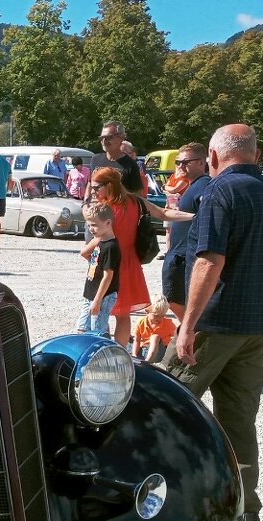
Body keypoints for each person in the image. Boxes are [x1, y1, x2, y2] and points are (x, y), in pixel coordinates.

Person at [167, 124, 263, 521]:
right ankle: (245, 511)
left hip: (214, 321)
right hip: (255, 326)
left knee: (166, 403)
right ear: (255, 154)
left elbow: (209, 260)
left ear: (213, 155)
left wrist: (187, 324)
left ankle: (167, 503)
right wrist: (255, 285)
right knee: (239, 420)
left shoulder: (219, 191)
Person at [86, 167, 193, 345]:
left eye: (97, 187)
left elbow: (97, 240)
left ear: (109, 185)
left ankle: (103, 353)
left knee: (99, 312)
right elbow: (163, 213)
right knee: (123, 314)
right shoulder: (136, 201)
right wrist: (194, 216)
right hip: (130, 263)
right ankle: (119, 351)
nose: (93, 191)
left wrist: (86, 253)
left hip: (110, 263)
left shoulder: (105, 209)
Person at [163, 143, 210, 321]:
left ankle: (193, 329)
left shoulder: (204, 185)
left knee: (175, 298)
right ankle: (191, 329)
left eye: (185, 162)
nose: (180, 166)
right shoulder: (192, 186)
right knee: (173, 297)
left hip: (186, 256)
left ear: (201, 162)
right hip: (179, 253)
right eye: (178, 162)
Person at [76, 202, 120, 336]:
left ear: (108, 223)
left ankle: (101, 354)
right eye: (89, 225)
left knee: (96, 332)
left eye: (94, 225)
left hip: (103, 296)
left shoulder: (111, 247)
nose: (91, 229)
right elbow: (84, 253)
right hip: (90, 293)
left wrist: (97, 300)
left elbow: (108, 277)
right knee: (82, 329)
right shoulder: (99, 241)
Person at [89, 121, 143, 194]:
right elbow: (89, 184)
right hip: (95, 204)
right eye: (102, 138)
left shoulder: (130, 165)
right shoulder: (95, 159)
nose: (104, 141)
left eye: (108, 137)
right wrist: (85, 202)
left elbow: (137, 195)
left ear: (121, 138)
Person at [132, 296, 178, 362]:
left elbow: (177, 335)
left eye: (162, 315)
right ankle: (136, 359)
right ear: (147, 311)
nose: (159, 319)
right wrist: (134, 354)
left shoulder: (168, 324)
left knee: (155, 337)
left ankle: (147, 362)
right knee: (128, 340)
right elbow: (137, 340)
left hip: (160, 352)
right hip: (144, 350)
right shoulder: (141, 322)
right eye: (156, 315)